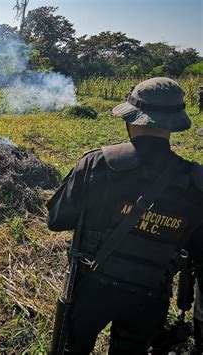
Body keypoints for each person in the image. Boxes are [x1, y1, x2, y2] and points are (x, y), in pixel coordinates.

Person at [46, 77, 203, 354]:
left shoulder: (97, 163)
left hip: (90, 291)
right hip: (150, 296)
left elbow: (56, 220)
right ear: (174, 124)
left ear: (132, 119)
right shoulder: (194, 182)